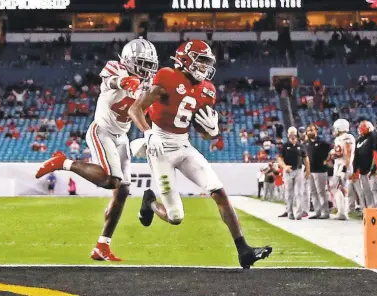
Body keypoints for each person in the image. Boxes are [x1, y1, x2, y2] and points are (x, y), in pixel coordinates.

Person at [127, 39, 272, 269]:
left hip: (183, 145)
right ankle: (150, 202)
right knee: (175, 217)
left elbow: (201, 131)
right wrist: (148, 134)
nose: (205, 66)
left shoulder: (207, 90)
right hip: (159, 147)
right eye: (201, 60)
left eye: (207, 61)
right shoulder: (167, 76)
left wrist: (211, 132)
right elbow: (135, 109)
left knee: (219, 191)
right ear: (185, 58)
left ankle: (243, 249)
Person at [35, 37, 159, 261]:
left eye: (150, 64)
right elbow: (111, 80)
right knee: (112, 181)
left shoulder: (147, 85)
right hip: (101, 131)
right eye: (142, 63)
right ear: (129, 60)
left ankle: (102, 245)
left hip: (121, 135)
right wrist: (124, 82)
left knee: (122, 191)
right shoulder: (116, 67)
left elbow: (145, 109)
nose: (147, 69)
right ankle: (63, 162)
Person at [277, 127, 311, 220]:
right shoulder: (284, 146)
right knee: (289, 192)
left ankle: (299, 212)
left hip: (299, 170)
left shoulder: (300, 146)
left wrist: (308, 170)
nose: (292, 135)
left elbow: (305, 158)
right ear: (288, 134)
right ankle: (290, 211)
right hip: (288, 171)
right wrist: (284, 167)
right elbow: (279, 158)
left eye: (293, 133)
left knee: (299, 192)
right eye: (290, 133)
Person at [330, 118, 356, 220]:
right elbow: (341, 153)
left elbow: (348, 153)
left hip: (344, 165)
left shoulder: (347, 137)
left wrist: (345, 168)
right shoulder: (338, 139)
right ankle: (341, 211)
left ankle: (344, 212)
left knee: (341, 188)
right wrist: (334, 154)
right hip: (339, 164)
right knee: (336, 187)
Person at [304, 124, 331, 219]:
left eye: (311, 130)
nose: (309, 132)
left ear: (316, 131)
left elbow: (331, 151)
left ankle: (325, 212)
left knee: (321, 192)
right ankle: (317, 211)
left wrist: (327, 160)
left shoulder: (323, 142)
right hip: (311, 171)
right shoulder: (306, 143)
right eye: (308, 130)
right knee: (313, 192)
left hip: (320, 170)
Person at [353, 121, 377, 209]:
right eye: (360, 126)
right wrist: (355, 169)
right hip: (362, 170)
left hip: (371, 169)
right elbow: (356, 155)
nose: (361, 128)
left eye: (363, 126)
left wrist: (373, 168)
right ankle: (369, 210)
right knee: (366, 191)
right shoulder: (359, 140)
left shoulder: (373, 137)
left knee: (374, 191)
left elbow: (376, 153)